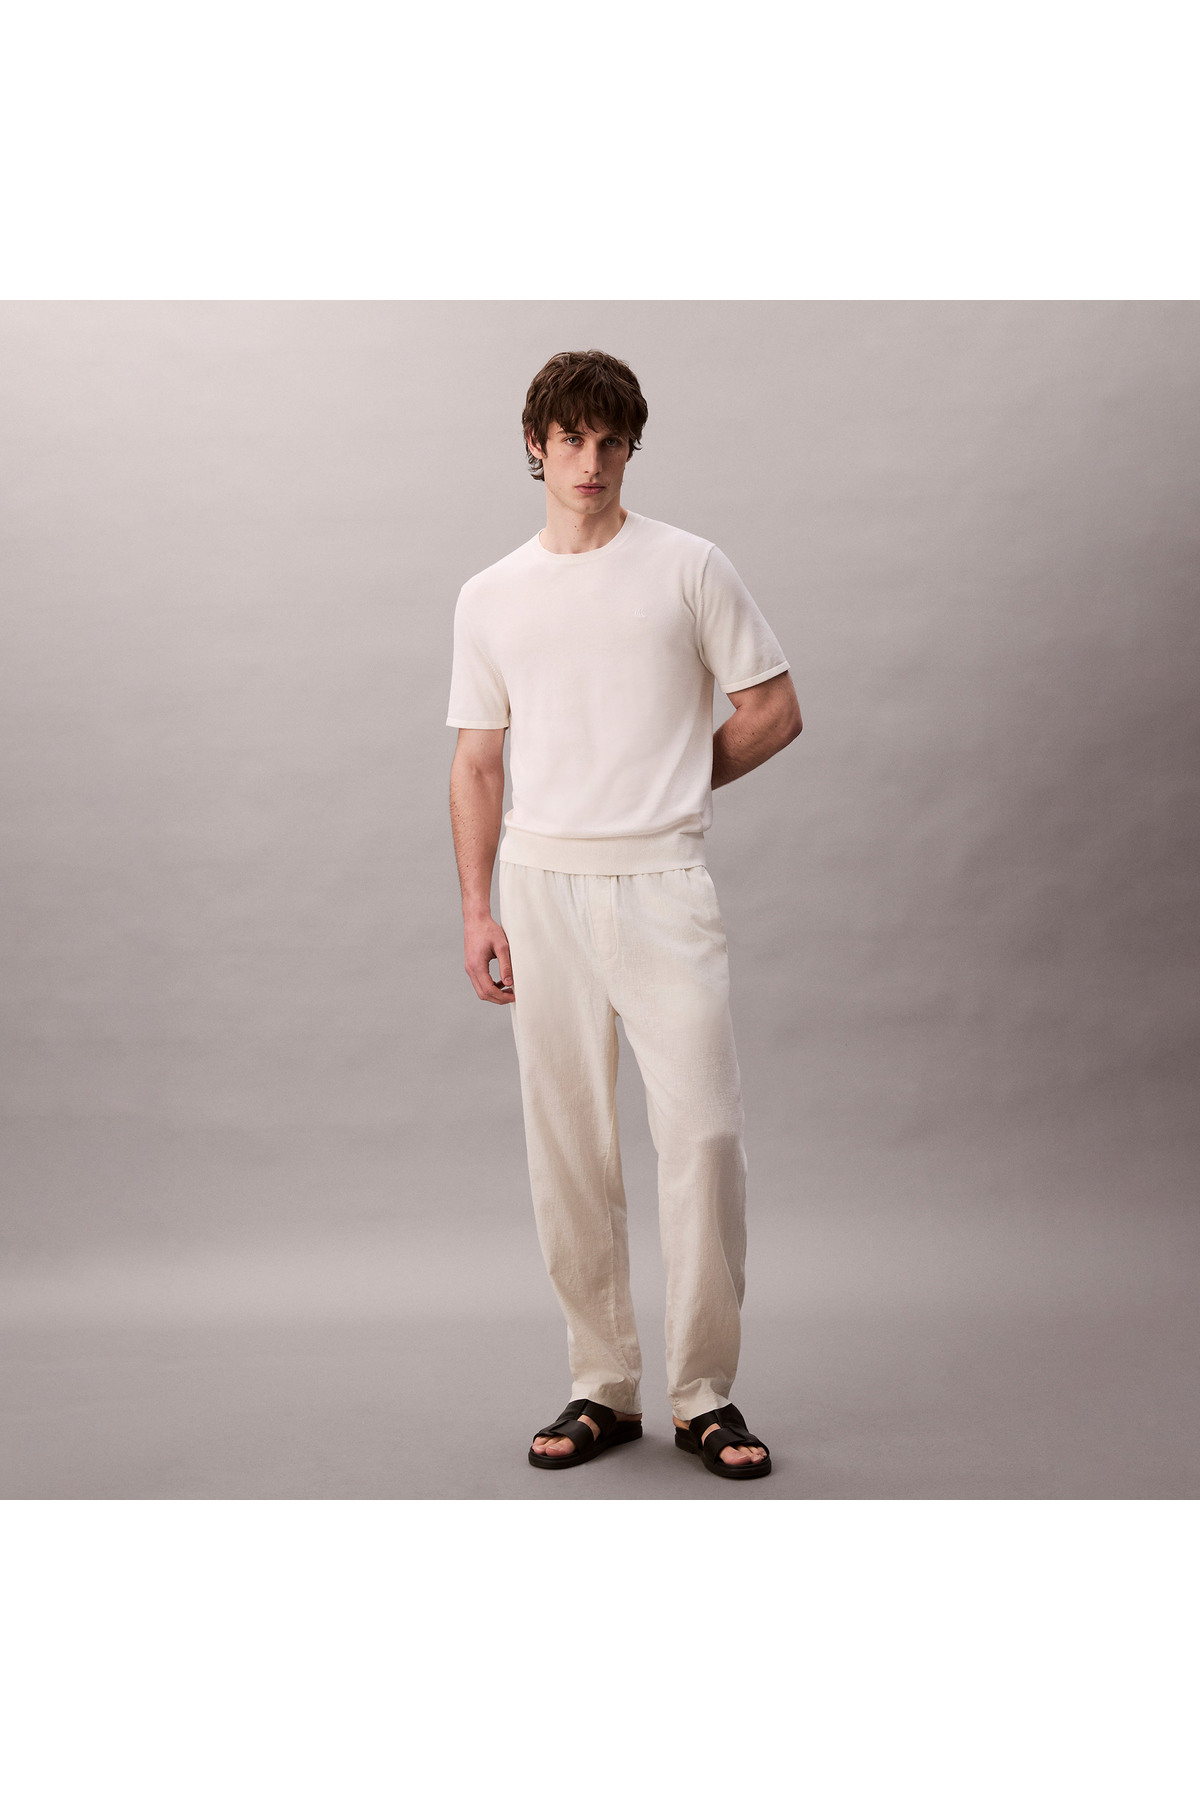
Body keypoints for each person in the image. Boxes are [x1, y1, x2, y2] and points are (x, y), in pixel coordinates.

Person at [445, 349, 801, 1482]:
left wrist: (675, 781)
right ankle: (602, 1383)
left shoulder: (689, 566)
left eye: (610, 441)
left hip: (662, 885)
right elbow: (477, 762)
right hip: (539, 889)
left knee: (703, 1135)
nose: (590, 461)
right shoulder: (491, 595)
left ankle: (704, 1394)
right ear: (535, 446)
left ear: (631, 447)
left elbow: (774, 707)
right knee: (569, 1145)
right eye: (570, 440)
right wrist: (477, 908)